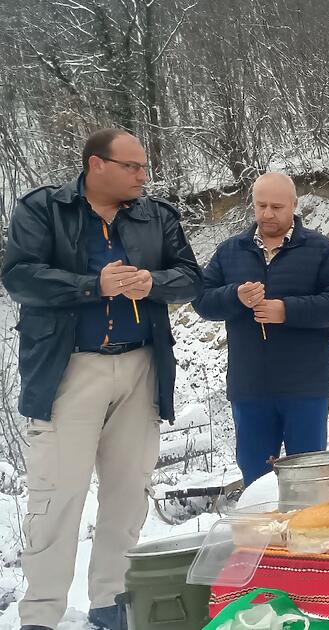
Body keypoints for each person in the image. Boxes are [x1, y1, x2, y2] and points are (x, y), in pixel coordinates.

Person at [2, 128, 201, 630]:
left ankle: (113, 603)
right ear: (96, 165)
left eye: (144, 167)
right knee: (57, 494)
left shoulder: (157, 216)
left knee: (128, 491)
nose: (143, 175)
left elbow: (191, 277)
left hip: (141, 366)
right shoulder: (43, 209)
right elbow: (19, 275)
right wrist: (94, 285)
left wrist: (153, 282)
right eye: (132, 167)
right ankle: (42, 614)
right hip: (69, 367)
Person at [193, 172, 329, 485]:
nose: (267, 213)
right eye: (261, 205)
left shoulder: (320, 249)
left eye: (277, 207)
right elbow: (201, 299)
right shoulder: (231, 251)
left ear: (294, 205)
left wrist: (287, 310)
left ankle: (305, 532)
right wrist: (235, 296)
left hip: (306, 386)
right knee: (256, 479)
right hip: (250, 386)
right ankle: (262, 534)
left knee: (308, 477)